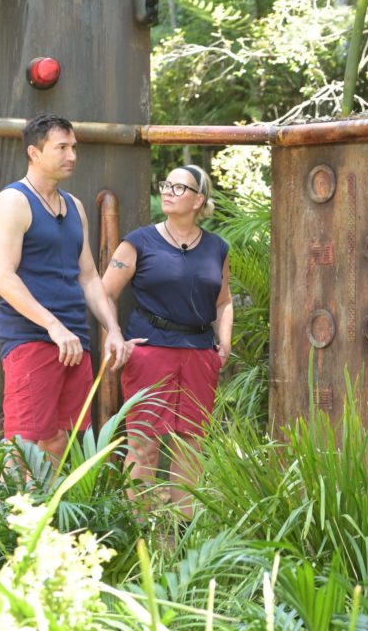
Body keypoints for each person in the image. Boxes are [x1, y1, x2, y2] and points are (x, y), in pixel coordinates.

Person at [0, 112, 126, 458]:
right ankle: (6, 513)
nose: (72, 156)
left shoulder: (74, 206)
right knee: (23, 445)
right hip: (33, 337)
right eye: (62, 147)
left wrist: (112, 329)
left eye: (74, 147)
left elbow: (90, 278)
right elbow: (2, 278)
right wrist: (52, 325)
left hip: (74, 340)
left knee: (58, 441)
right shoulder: (14, 201)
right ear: (34, 153)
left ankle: (45, 514)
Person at [102, 164, 233, 516]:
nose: (168, 192)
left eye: (179, 188)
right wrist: (115, 336)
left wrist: (225, 342)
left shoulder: (217, 248)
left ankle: (182, 537)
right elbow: (104, 294)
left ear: (199, 200)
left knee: (191, 446)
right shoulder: (138, 242)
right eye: (166, 185)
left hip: (199, 355)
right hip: (150, 353)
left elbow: (224, 301)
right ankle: (140, 532)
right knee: (143, 446)